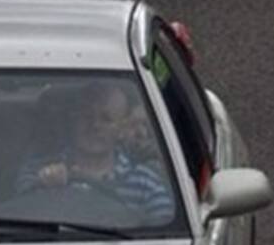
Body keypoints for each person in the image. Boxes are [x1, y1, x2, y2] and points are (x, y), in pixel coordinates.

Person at [18, 82, 175, 226]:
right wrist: (44, 187)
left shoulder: (145, 182)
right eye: (86, 116)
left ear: (121, 129)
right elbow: (18, 216)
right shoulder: (38, 171)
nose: (95, 125)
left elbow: (167, 236)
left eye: (106, 119)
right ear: (73, 120)